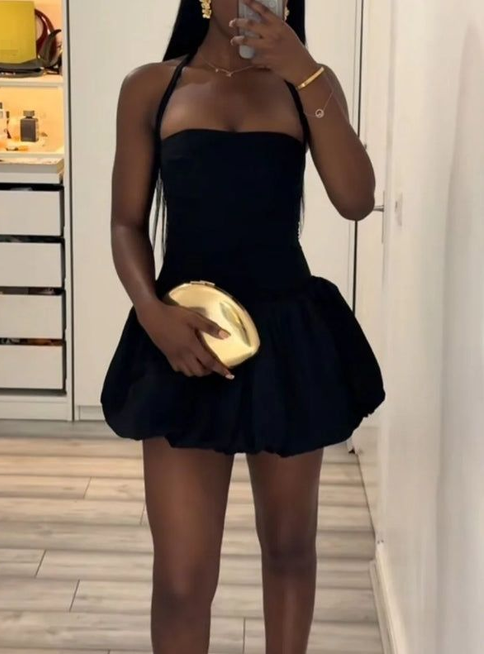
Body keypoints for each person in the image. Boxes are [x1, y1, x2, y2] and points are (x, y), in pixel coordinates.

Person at [100, 0, 386, 652]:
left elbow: (355, 199)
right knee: (181, 578)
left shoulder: (307, 82)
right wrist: (152, 313)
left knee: (289, 547)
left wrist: (303, 71)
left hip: (288, 340)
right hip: (184, 336)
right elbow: (125, 222)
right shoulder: (152, 86)